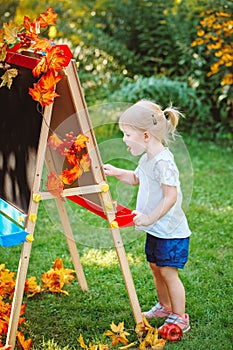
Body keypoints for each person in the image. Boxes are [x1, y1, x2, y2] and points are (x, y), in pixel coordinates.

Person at [104, 100, 191, 333]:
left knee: (168, 272)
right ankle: (164, 306)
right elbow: (136, 178)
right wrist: (115, 172)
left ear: (145, 136)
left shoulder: (164, 162)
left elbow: (170, 197)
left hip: (171, 232)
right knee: (155, 267)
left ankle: (180, 316)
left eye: (127, 134)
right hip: (156, 229)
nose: (124, 139)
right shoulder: (148, 158)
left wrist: (150, 218)